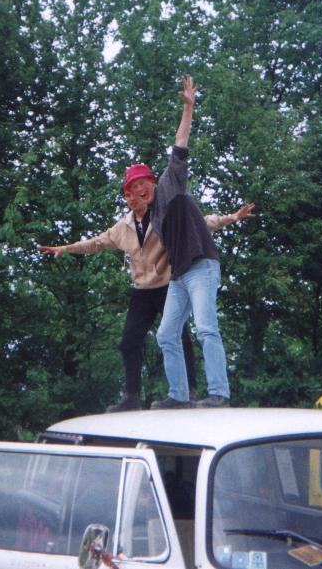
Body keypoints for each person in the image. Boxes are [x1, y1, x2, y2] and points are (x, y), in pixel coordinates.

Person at [38, 181, 254, 411]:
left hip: (167, 284)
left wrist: (231, 218)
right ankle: (131, 396)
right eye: (128, 196)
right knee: (129, 341)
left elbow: (200, 223)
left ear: (146, 195)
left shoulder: (162, 216)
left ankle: (189, 391)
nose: (133, 199)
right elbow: (97, 243)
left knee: (181, 336)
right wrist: (66, 248)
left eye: (137, 194)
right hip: (142, 289)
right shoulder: (124, 227)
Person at [126, 75, 232, 409]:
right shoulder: (151, 217)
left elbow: (181, 142)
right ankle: (179, 395)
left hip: (201, 266)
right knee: (165, 333)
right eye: (133, 190)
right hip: (179, 275)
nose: (140, 191)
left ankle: (219, 393)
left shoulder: (170, 184)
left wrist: (188, 107)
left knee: (206, 328)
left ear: (152, 182)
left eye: (142, 184)